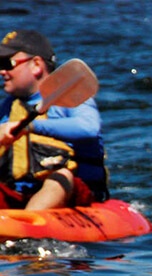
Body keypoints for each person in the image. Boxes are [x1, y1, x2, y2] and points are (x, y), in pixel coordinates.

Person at [0, 30, 107, 210]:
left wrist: (30, 126)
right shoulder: (8, 108)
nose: (2, 72)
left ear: (36, 65)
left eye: (7, 63)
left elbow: (89, 127)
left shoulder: (72, 96)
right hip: (19, 193)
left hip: (75, 193)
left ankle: (29, 223)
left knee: (60, 177)